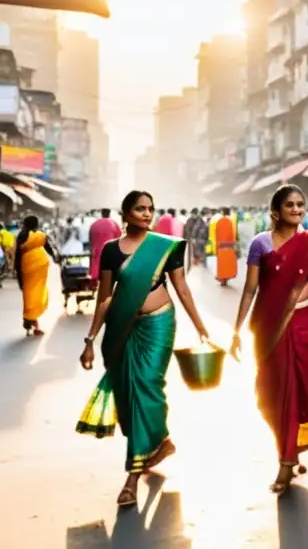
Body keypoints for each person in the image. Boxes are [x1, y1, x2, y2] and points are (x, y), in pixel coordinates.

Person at [76, 190, 210, 508]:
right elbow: (105, 297)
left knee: (148, 386)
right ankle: (159, 441)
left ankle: (132, 477)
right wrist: (90, 340)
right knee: (128, 393)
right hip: (123, 328)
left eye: (150, 209)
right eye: (140, 209)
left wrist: (201, 327)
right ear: (125, 214)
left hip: (159, 324)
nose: (147, 214)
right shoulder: (110, 251)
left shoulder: (165, 247)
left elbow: (182, 289)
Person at [230, 185, 308, 493]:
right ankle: (287, 454)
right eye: (291, 205)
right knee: (271, 395)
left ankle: (288, 457)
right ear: (276, 211)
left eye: (301, 204)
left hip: (304, 322)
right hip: (269, 327)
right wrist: (235, 330)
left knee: (302, 392)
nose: (298, 209)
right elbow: (250, 289)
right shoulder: (261, 244)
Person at [15, 216, 56, 336]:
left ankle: (30, 322)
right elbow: (49, 249)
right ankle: (33, 322)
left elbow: (18, 255)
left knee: (29, 296)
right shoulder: (41, 235)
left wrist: (17, 272)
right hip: (41, 266)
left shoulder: (21, 236)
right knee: (37, 294)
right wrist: (55, 257)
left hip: (27, 268)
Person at [89, 210, 123, 286]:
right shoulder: (113, 224)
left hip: (97, 250)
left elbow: (90, 238)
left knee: (96, 266)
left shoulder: (95, 224)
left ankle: (94, 282)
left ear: (102, 214)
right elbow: (119, 238)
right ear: (109, 214)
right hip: (110, 252)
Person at [215, 207, 238, 286]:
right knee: (228, 264)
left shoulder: (219, 221)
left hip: (221, 246)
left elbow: (216, 235)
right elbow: (233, 234)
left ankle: (222, 279)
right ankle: (226, 279)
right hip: (229, 247)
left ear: (222, 212)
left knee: (222, 264)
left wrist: (216, 246)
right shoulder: (230, 222)